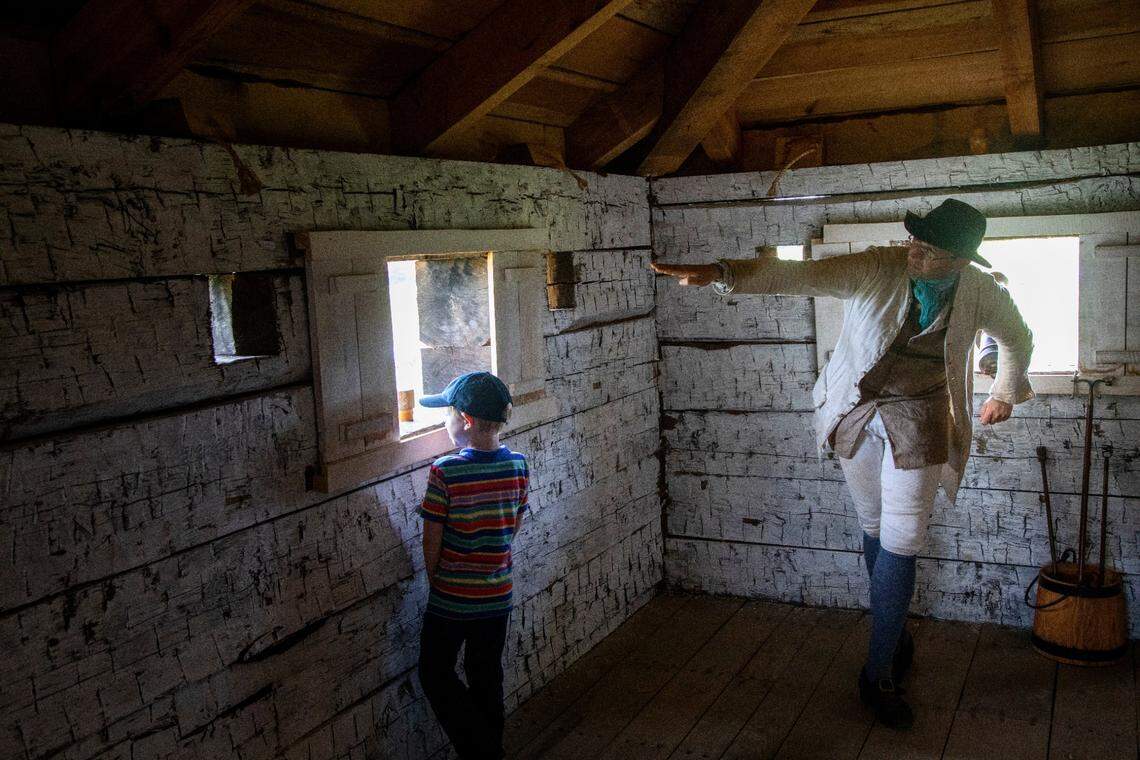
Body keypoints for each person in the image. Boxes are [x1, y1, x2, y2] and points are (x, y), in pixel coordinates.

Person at [652, 198, 1033, 730]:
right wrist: (723, 273)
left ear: (959, 259)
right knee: (874, 525)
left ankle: (877, 673)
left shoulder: (979, 291)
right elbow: (799, 275)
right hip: (854, 410)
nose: (912, 251)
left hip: (922, 417)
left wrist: (1005, 393)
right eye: (913, 241)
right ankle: (894, 633)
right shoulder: (878, 265)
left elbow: (1018, 336)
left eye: (928, 249)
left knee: (903, 536)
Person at [416, 371, 529, 759]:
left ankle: (480, 751)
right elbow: (515, 521)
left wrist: (438, 582)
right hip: (497, 593)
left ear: (464, 420)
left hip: (453, 597)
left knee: (435, 673)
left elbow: (432, 537)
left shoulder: (445, 471)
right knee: (486, 676)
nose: (445, 421)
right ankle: (489, 749)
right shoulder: (517, 465)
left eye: (447, 413)